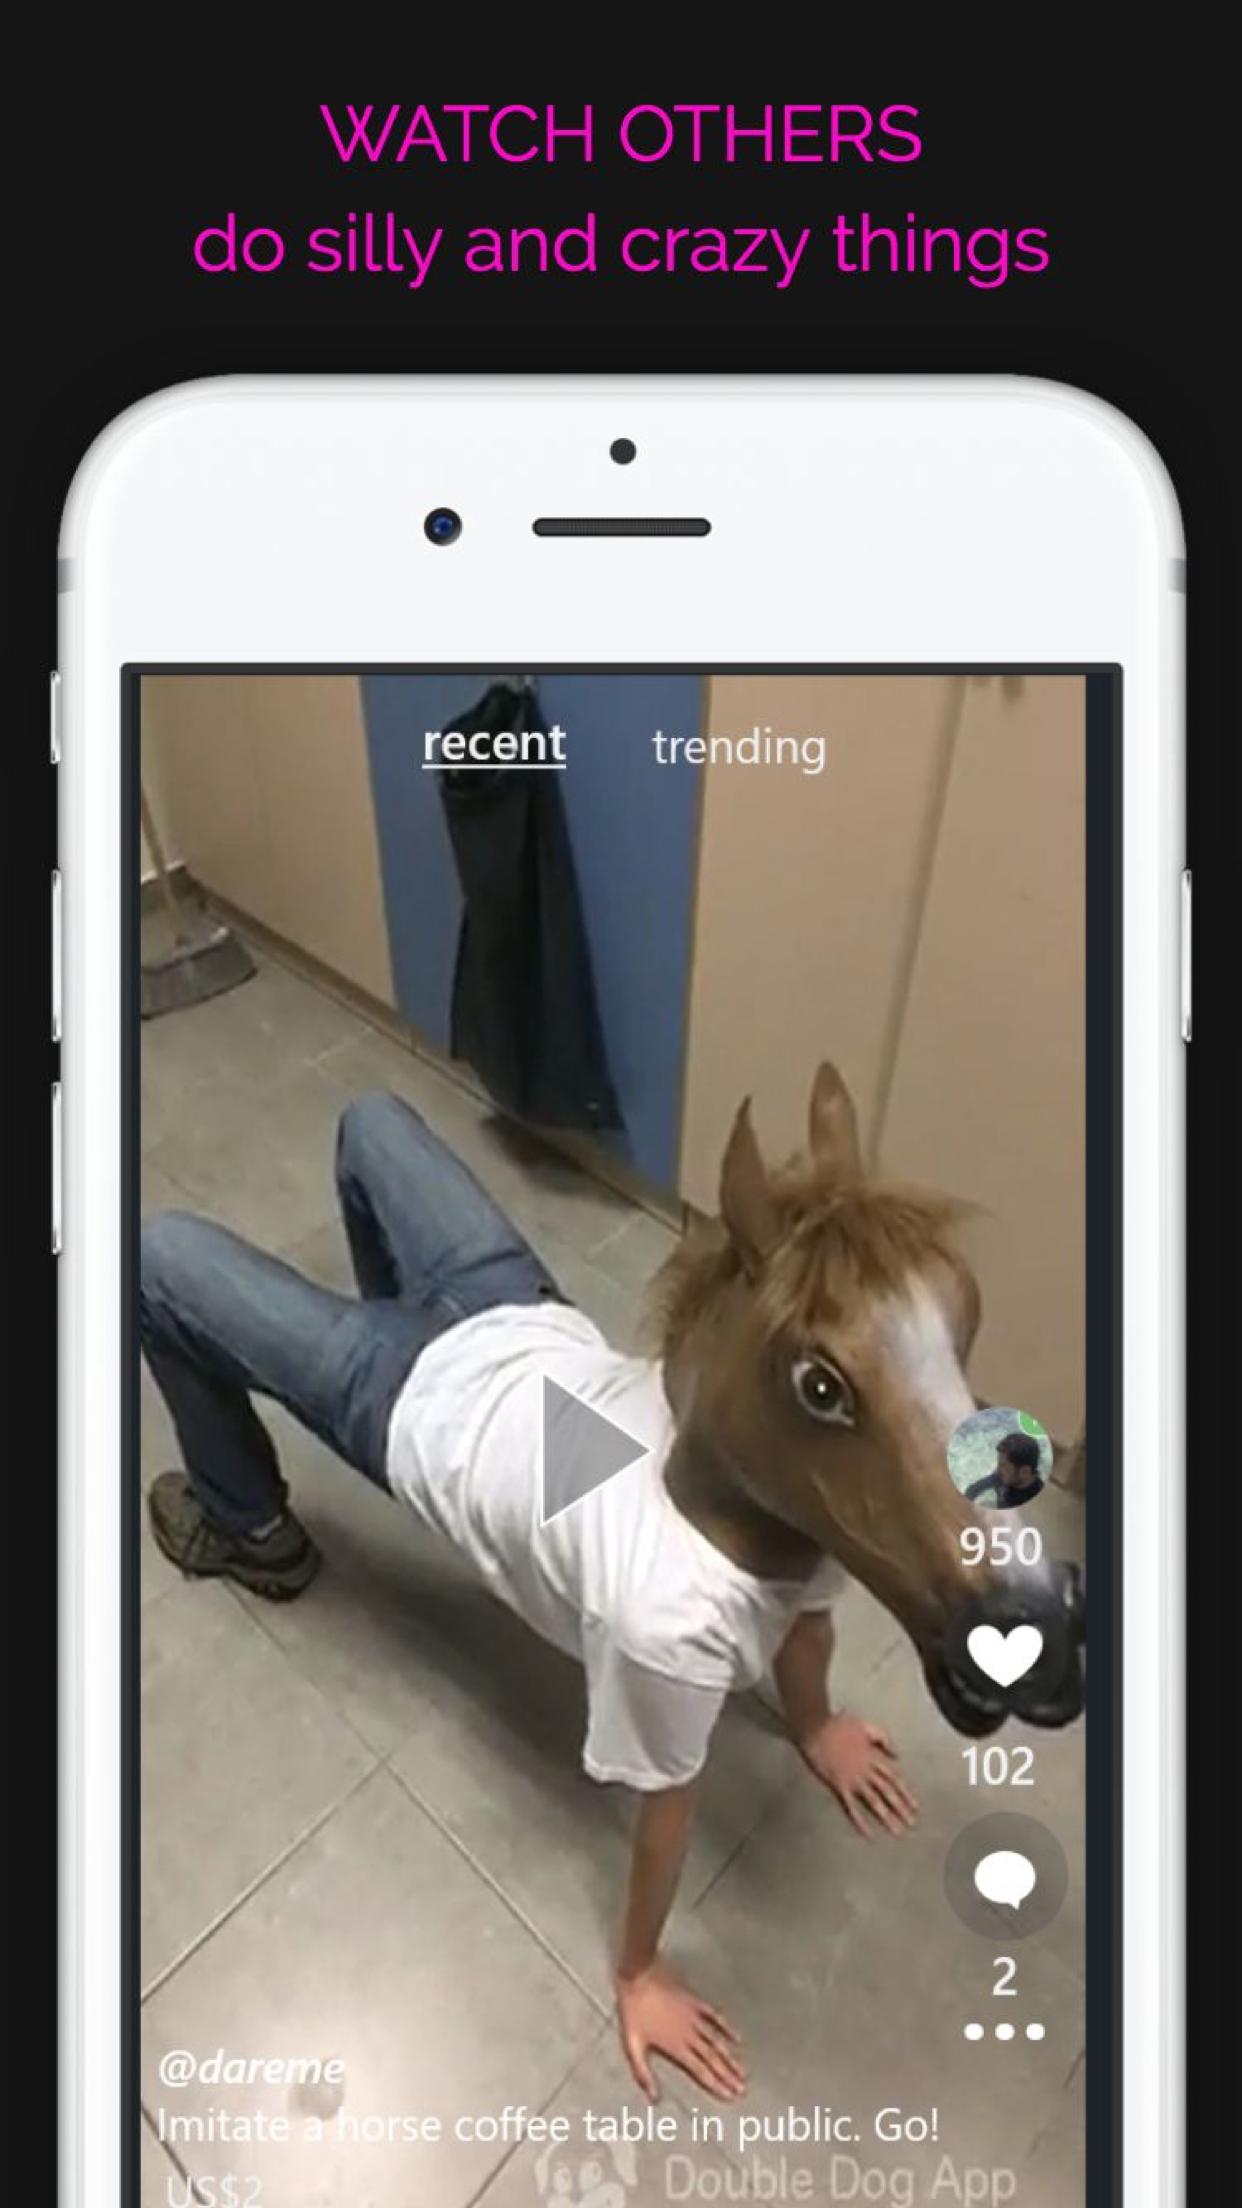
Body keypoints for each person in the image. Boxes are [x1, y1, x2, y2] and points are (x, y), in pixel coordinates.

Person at [141, 1091, 919, 2104]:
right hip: (519, 1323)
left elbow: (665, 1809)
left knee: (156, 1258)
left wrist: (639, 1971)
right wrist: (813, 1724)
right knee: (371, 1120)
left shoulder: (671, 1614)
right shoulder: (799, 1488)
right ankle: (392, 1316)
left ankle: (249, 1528)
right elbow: (808, 1615)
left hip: (408, 1400)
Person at [963, 1430, 1046, 1509]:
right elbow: (972, 1490)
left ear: (1024, 1472)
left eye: (1003, 1465)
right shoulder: (1001, 1478)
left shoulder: (1038, 1503)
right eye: (999, 1464)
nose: (997, 1469)